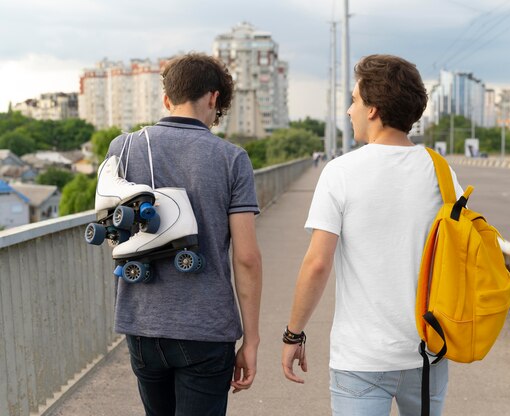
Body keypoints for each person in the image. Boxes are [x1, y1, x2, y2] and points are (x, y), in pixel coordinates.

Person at [281, 54, 463, 416]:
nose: (349, 111)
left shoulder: (341, 172)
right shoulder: (442, 173)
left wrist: (294, 334)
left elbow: (318, 263)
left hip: (361, 357)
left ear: (373, 110)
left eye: (354, 100)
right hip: (428, 350)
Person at [106, 52, 262, 416]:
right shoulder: (231, 158)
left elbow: (116, 228)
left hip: (142, 322)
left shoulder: (122, 148)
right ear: (213, 98)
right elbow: (247, 257)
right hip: (205, 328)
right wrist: (251, 339)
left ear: (166, 99)